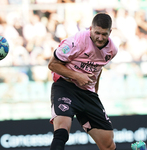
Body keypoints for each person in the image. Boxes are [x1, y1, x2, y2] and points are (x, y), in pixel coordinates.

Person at [48, 13, 118, 150]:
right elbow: (52, 64)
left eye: (104, 34)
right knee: (61, 132)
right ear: (91, 28)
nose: (100, 37)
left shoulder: (112, 50)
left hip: (87, 93)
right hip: (66, 86)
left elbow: (98, 68)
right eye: (97, 33)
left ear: (110, 32)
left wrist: (94, 93)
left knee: (108, 145)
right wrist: (77, 76)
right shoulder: (76, 41)